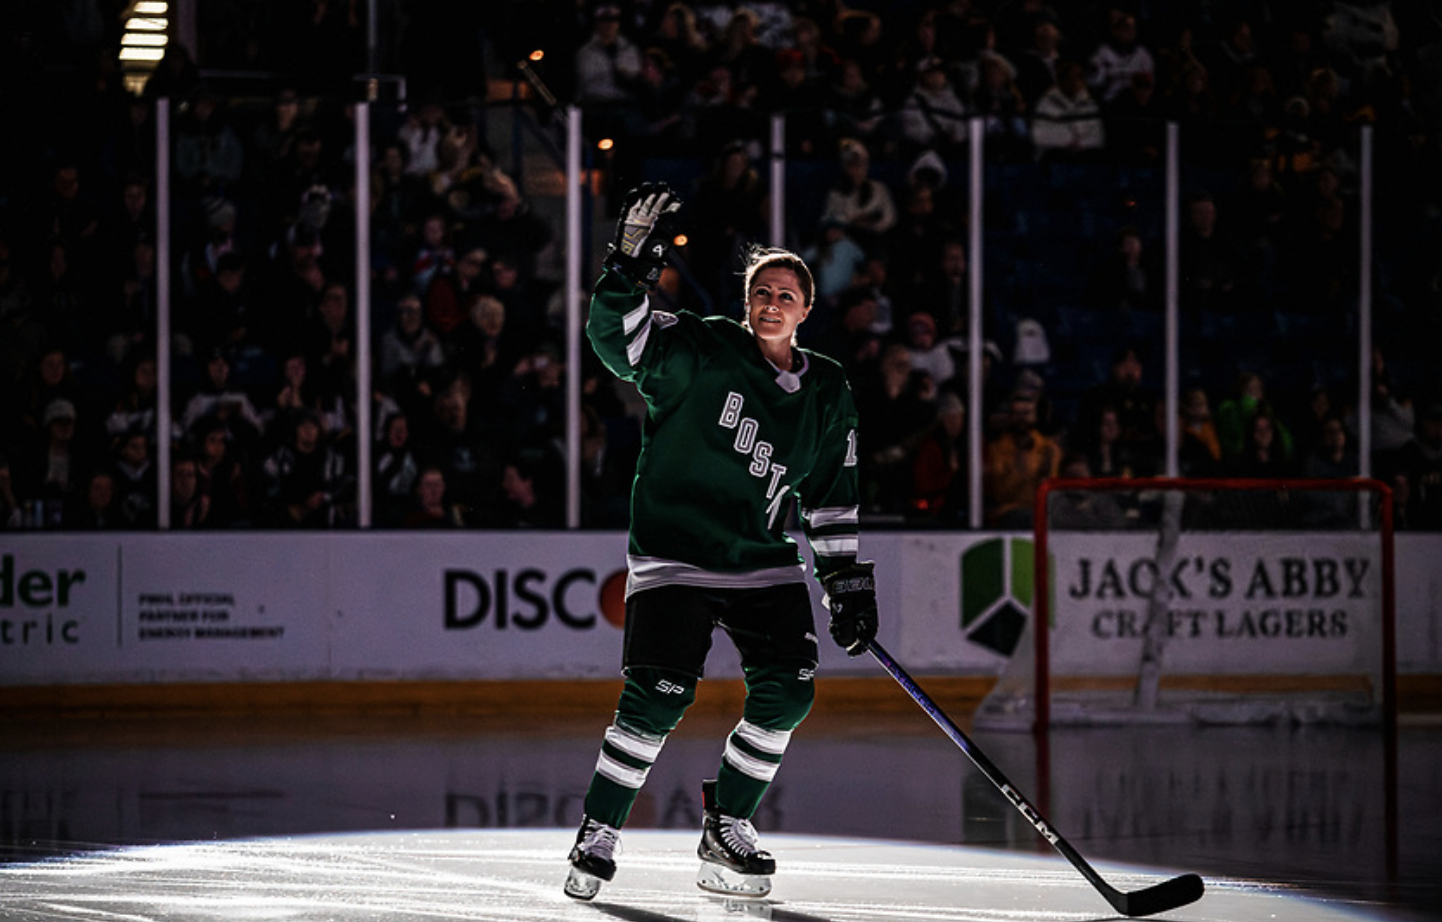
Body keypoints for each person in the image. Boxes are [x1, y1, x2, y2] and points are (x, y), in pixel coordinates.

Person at [566, 184, 877, 901]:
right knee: (657, 697)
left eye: (786, 295)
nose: (771, 303)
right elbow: (617, 343)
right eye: (761, 291)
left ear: (807, 310)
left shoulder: (829, 391)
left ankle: (727, 824)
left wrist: (846, 585)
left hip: (761, 561)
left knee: (789, 692)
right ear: (747, 300)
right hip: (675, 553)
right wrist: (626, 267)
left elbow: (829, 496)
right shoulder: (700, 345)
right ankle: (600, 828)